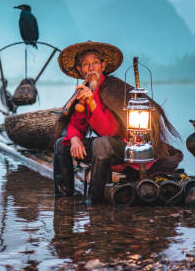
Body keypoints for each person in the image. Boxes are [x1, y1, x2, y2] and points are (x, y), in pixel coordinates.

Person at [54, 41, 183, 203]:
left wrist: (92, 102)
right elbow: (76, 123)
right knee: (62, 144)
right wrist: (74, 139)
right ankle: (63, 198)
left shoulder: (114, 89)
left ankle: (95, 200)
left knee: (101, 143)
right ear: (80, 70)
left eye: (95, 63)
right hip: (105, 146)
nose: (91, 68)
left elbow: (110, 131)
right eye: (86, 65)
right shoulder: (85, 91)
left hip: (129, 149)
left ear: (103, 65)